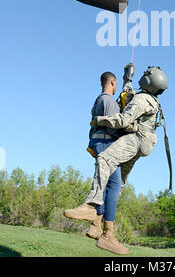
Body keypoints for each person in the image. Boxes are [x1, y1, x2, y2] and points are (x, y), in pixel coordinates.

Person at [64, 66, 168, 254]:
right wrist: (127, 78)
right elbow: (131, 95)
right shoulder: (150, 99)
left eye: (146, 75)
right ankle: (101, 229)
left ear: (149, 82)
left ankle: (92, 205)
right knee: (118, 183)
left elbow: (123, 121)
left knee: (105, 159)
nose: (143, 77)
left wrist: (100, 120)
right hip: (146, 143)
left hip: (136, 140)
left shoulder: (141, 100)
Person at [64, 70, 130, 255]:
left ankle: (96, 225)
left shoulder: (100, 100)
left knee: (111, 185)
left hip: (99, 142)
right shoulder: (108, 101)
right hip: (106, 144)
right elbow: (112, 125)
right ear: (113, 82)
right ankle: (102, 227)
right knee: (115, 185)